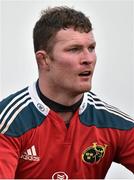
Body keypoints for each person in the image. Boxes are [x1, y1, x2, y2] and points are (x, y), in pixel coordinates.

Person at [0, 6, 134, 179]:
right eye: (74, 49)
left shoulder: (114, 124)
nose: (88, 59)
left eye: (91, 48)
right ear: (44, 59)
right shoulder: (8, 122)